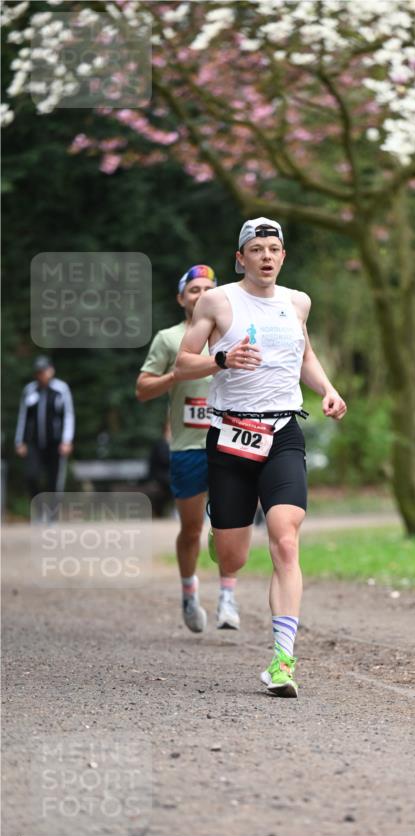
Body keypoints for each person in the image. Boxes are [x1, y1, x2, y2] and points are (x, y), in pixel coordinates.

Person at [175, 218, 347, 697]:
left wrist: (328, 389)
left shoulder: (297, 302)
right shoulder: (217, 301)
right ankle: (221, 530)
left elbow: (304, 355)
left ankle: (282, 662)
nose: (266, 256)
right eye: (256, 249)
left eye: (273, 249)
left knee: (285, 540)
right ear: (241, 258)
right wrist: (221, 359)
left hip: (283, 432)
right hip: (230, 435)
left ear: (283, 256)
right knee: (232, 559)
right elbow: (183, 363)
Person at [136, 264, 241, 634]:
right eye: (194, 290)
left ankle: (227, 596)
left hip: (230, 440)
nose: (201, 295)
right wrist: (175, 375)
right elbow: (142, 389)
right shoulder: (169, 339)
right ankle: (189, 593)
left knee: (229, 524)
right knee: (192, 528)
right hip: (188, 447)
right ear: (181, 298)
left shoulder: (232, 332)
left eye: (208, 289)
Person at [15, 355, 75, 502]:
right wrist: (19, 441)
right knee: (31, 475)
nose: (41, 375)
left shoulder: (61, 389)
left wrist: (67, 440)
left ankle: (52, 512)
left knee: (53, 479)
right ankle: (38, 507)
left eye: (44, 371)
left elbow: (68, 415)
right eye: (39, 372)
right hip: (34, 442)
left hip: (55, 442)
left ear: (51, 370)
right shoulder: (29, 390)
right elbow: (23, 416)